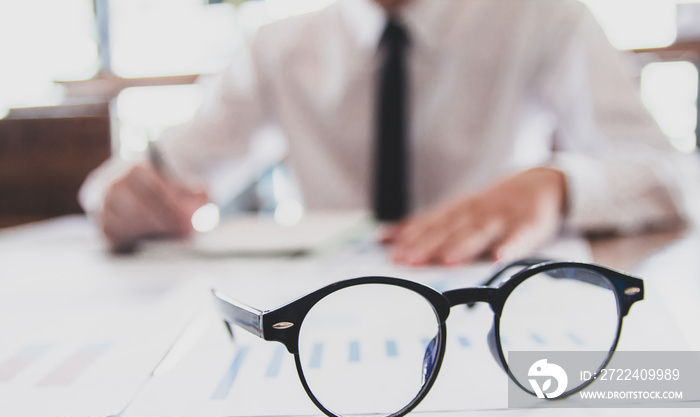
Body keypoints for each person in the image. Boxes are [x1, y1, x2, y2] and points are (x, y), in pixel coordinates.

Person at [80, 0, 697, 265]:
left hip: (497, 310)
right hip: (325, 322)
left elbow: (671, 175)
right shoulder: (279, 48)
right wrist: (118, 196)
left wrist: (556, 187)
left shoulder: (540, 17)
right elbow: (154, 175)